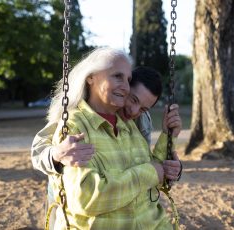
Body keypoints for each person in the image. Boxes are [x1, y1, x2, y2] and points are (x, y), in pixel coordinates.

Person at [42, 47, 179, 229]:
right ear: (91, 76)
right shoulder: (74, 124)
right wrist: (55, 154)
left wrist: (168, 138)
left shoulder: (132, 125)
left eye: (127, 80)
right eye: (117, 76)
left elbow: (150, 169)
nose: (133, 111)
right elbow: (87, 198)